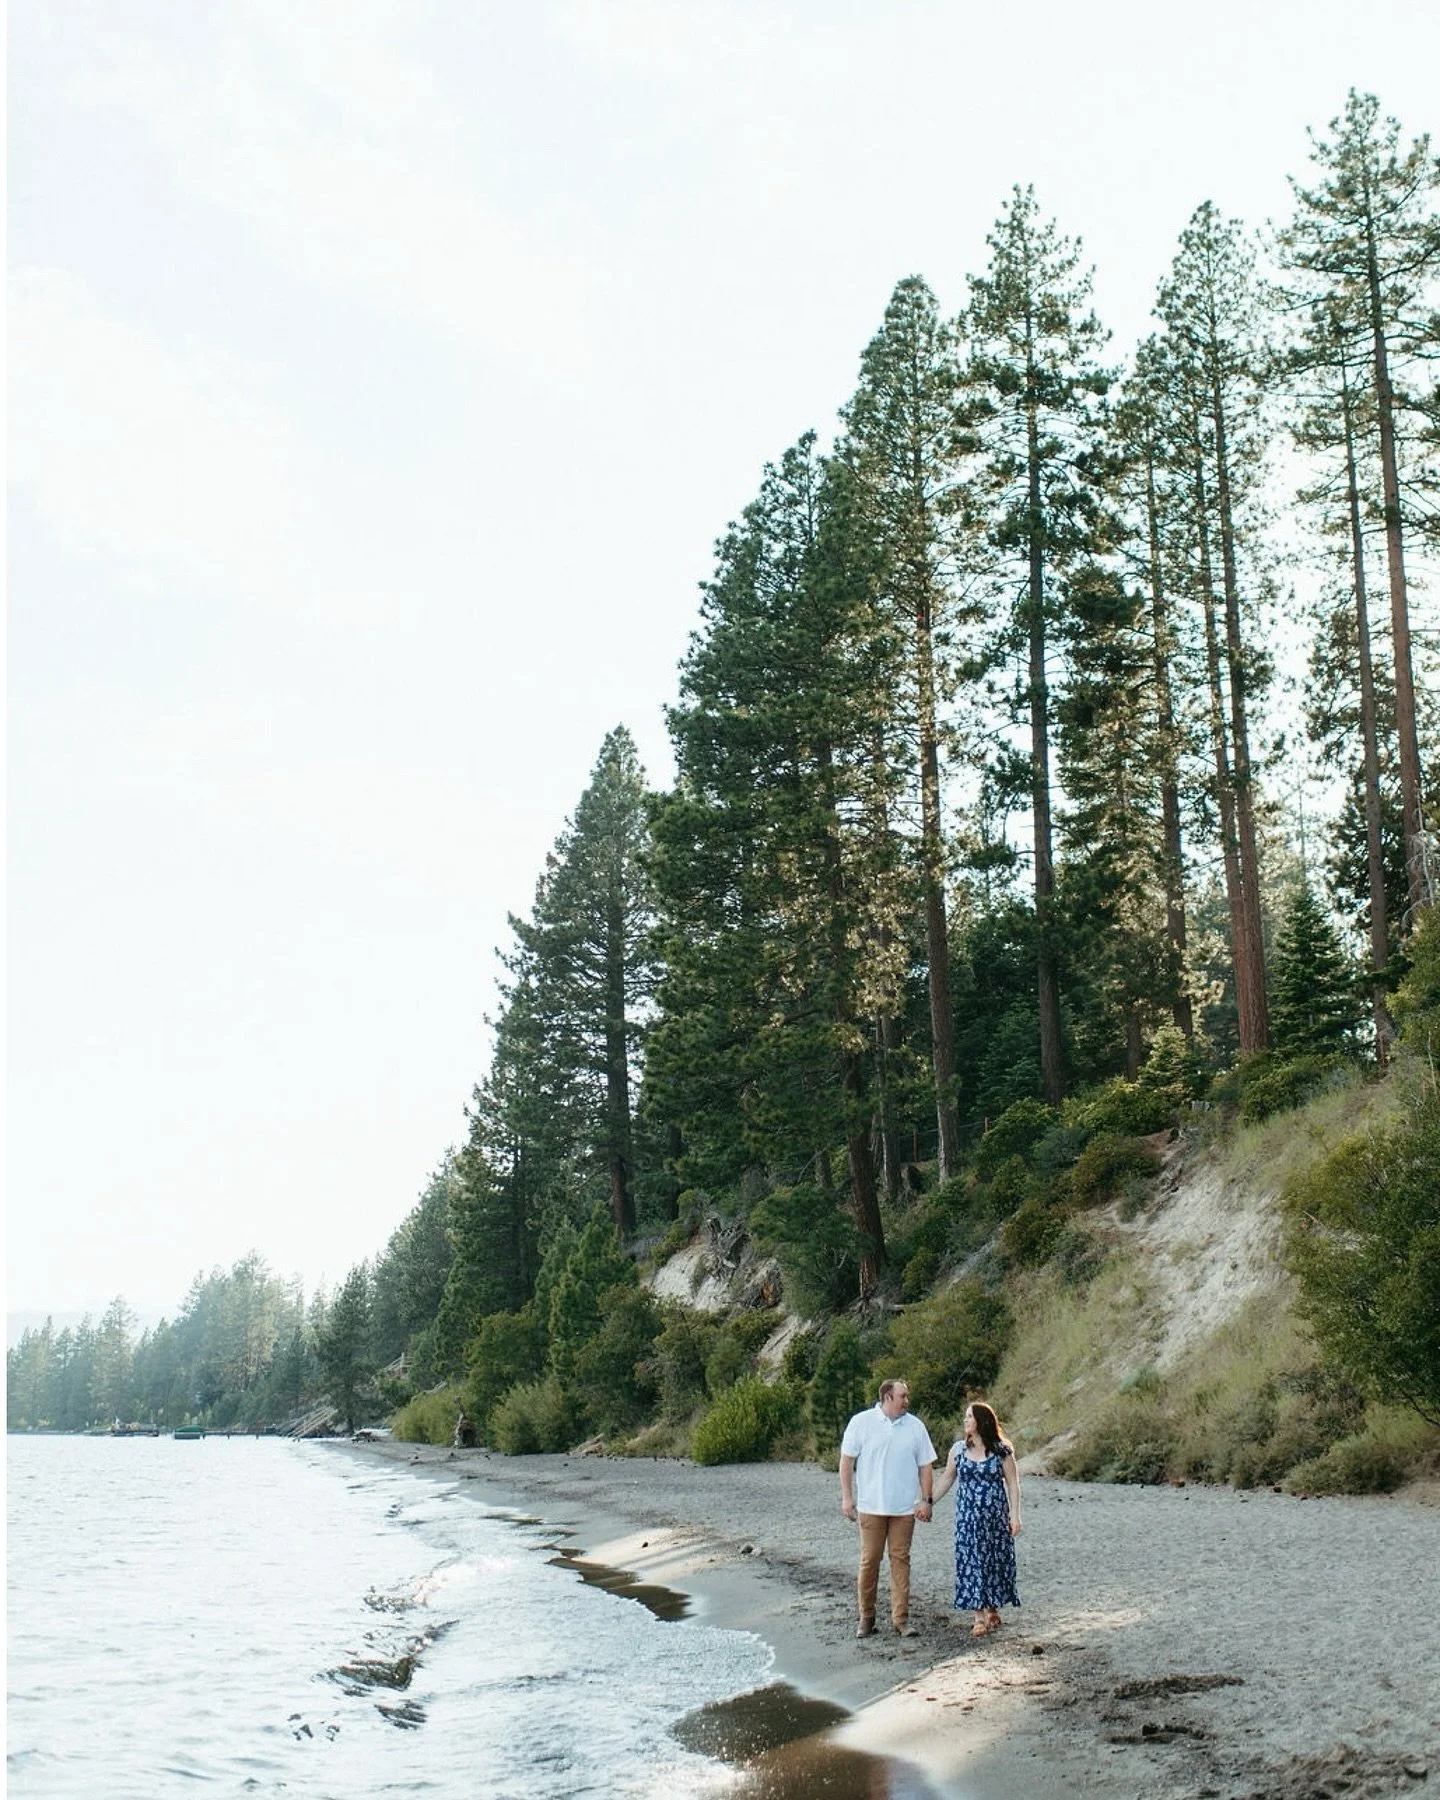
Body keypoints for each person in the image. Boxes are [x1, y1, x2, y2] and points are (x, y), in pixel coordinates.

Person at [839, 1377, 937, 1639]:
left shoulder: (915, 1427)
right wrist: (847, 1498)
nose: (907, 1400)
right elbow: (846, 1461)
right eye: (902, 1396)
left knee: (900, 1561)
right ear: (887, 1398)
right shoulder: (861, 1423)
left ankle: (901, 1619)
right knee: (869, 1560)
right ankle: (867, 1618)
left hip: (904, 1509)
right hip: (871, 1506)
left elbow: (926, 1465)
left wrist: (925, 1500)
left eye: (906, 1396)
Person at [931, 1400, 1020, 1637]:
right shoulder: (958, 1450)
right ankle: (978, 1616)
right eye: (966, 1417)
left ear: (982, 1421)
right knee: (971, 1562)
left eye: (969, 1417)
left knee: (994, 1561)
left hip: (995, 1518)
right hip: (967, 1520)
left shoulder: (1002, 1450)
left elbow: (1012, 1483)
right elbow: (947, 1479)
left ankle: (992, 1608)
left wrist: (1015, 1516)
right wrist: (928, 1502)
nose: (965, 1421)